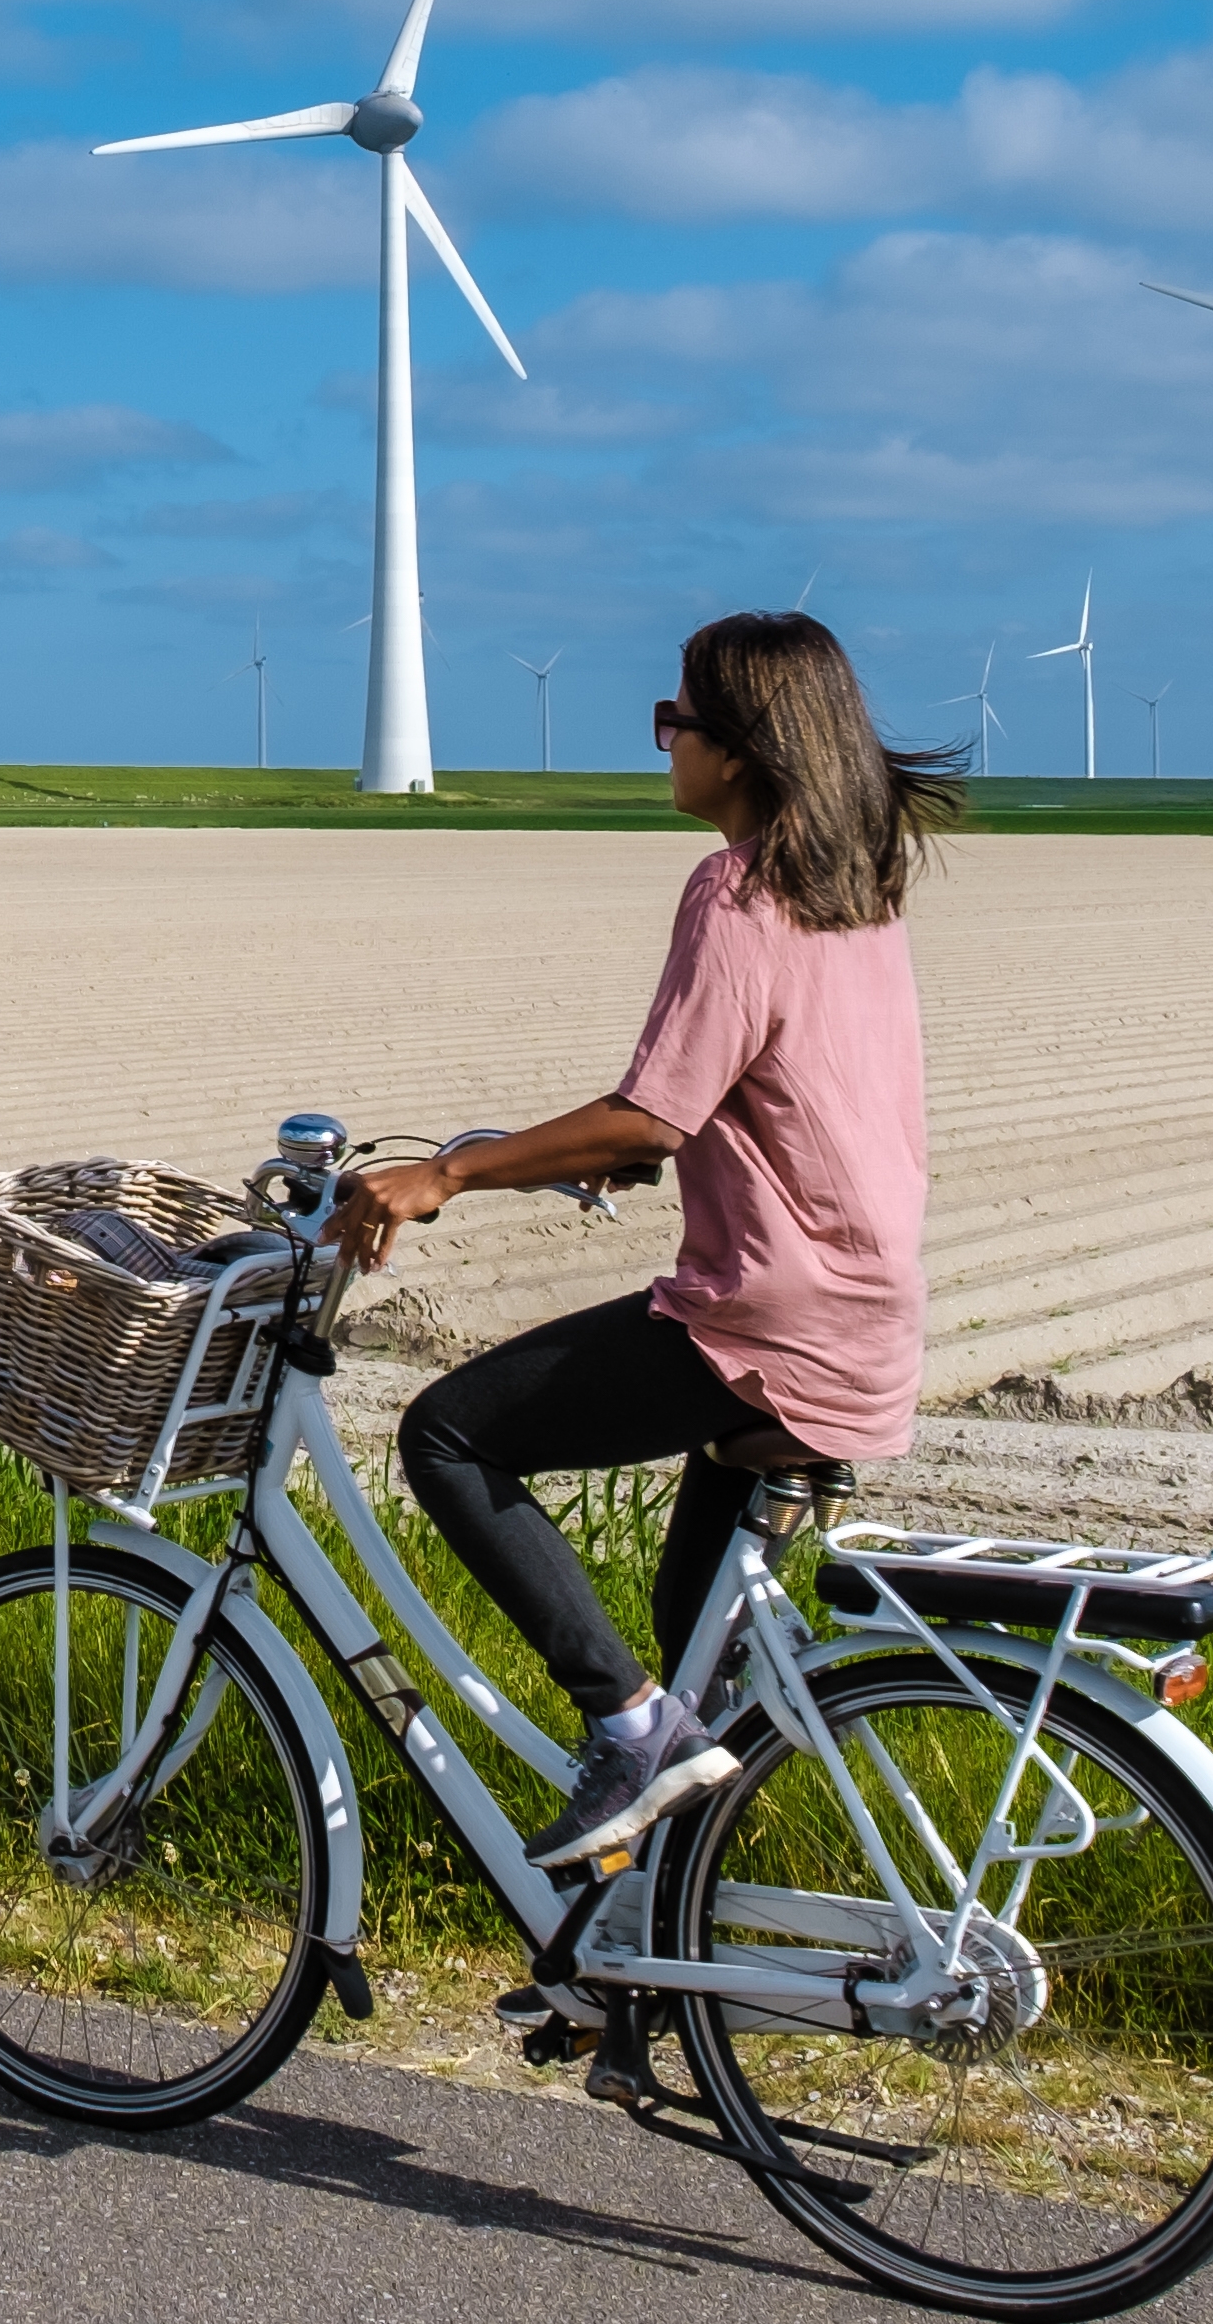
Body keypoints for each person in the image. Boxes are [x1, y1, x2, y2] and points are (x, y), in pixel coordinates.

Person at [333, 609, 957, 1869]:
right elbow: (710, 1104)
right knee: (696, 1652)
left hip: (763, 1323)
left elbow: (654, 1116)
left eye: (674, 715)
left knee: (447, 1433)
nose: (661, 738)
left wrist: (449, 1171)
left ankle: (619, 1727)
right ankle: (643, 1982)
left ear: (739, 747)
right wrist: (575, 1155)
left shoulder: (736, 890)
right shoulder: (857, 888)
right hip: (866, 1320)